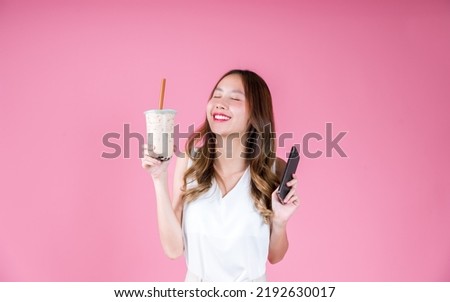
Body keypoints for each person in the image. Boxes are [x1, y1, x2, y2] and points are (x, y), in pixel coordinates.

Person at [141, 69, 299, 281]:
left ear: (255, 114)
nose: (219, 103)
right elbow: (173, 250)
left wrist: (280, 221)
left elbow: (275, 256)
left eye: (234, 98)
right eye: (216, 95)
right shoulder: (190, 160)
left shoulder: (274, 170)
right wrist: (159, 179)